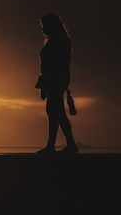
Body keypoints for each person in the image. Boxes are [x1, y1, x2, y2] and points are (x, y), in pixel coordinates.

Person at [35, 13, 78, 154]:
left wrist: (50, 82)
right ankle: (56, 144)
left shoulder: (59, 42)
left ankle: (58, 145)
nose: (42, 29)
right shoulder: (56, 41)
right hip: (53, 80)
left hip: (55, 80)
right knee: (55, 112)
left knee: (56, 112)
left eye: (44, 26)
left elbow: (59, 64)